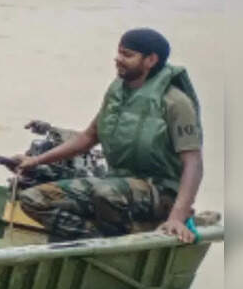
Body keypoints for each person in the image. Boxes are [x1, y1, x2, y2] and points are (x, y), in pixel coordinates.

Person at [17, 28, 203, 243]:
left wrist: (177, 218)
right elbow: (88, 137)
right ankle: (95, 243)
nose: (118, 59)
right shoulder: (117, 93)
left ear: (150, 60)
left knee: (106, 193)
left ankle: (116, 245)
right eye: (119, 52)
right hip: (115, 183)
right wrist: (34, 161)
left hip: (159, 192)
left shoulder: (176, 103)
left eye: (127, 55)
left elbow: (194, 163)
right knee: (32, 198)